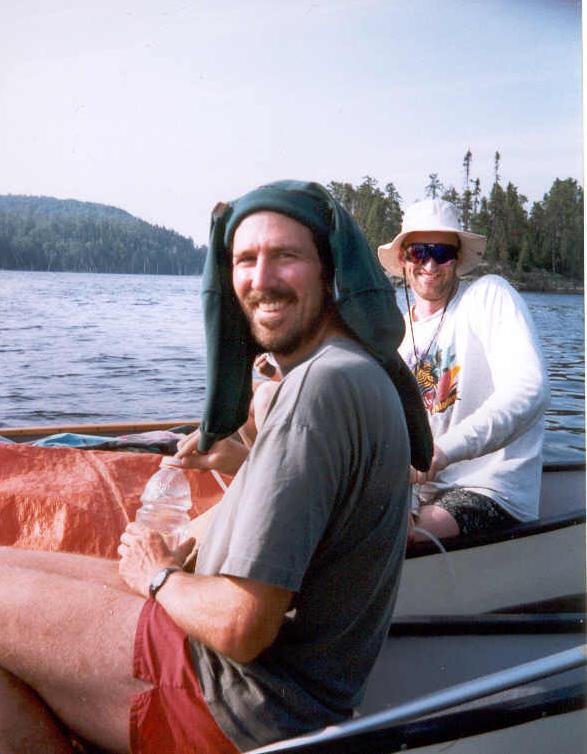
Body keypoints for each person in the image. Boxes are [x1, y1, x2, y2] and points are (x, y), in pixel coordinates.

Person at [0, 180, 431, 754]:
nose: (261, 279)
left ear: (330, 271)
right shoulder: (349, 370)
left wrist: (158, 577)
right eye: (245, 260)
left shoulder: (319, 389)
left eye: (286, 256)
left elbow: (241, 626)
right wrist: (243, 465)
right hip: (280, 686)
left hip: (234, 700)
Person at [377, 198, 550, 544]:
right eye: (419, 252)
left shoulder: (489, 296)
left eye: (442, 253)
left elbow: (529, 390)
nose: (430, 264)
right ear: (403, 259)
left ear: (456, 259)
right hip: (423, 491)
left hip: (490, 490)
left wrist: (441, 453)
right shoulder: (396, 334)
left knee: (390, 536)